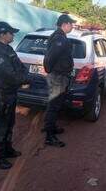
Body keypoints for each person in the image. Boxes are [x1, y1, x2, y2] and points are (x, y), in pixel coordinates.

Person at [0, 22, 31, 169]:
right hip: (0, 94)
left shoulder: (7, 49)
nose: (13, 35)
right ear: (3, 34)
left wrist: (25, 76)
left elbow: (21, 67)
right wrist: (23, 79)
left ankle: (7, 149)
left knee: (9, 123)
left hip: (9, 92)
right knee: (0, 126)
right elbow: (8, 74)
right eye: (11, 33)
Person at [43, 14, 76, 147]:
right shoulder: (60, 39)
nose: (72, 26)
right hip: (58, 76)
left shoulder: (59, 36)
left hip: (59, 75)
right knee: (54, 106)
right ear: (65, 24)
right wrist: (50, 70)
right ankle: (49, 136)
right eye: (71, 24)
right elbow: (50, 58)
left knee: (55, 105)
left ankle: (51, 127)